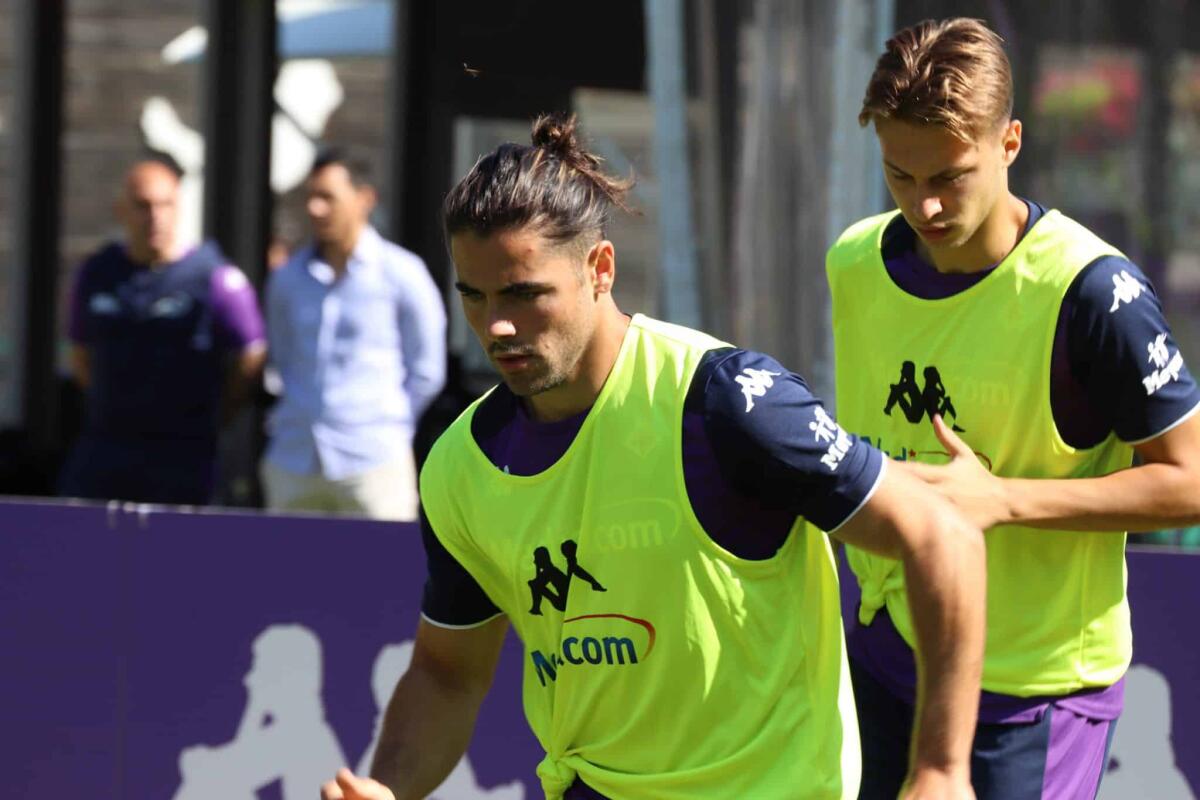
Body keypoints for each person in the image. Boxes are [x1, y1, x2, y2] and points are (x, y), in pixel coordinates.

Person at [322, 114, 987, 800]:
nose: (496, 325)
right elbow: (446, 672)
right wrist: (390, 790)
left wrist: (941, 768)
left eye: (525, 295)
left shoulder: (726, 403)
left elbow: (945, 536)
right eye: (475, 296)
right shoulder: (461, 465)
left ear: (600, 269)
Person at [827, 18, 1200, 800]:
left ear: (1010, 143)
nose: (925, 207)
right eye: (901, 176)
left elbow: (1191, 480)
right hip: (881, 663)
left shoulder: (1096, 293)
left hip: (1033, 696)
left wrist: (1002, 500)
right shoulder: (855, 261)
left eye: (950, 177)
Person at [59, 156, 266, 505]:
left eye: (165, 205)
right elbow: (79, 352)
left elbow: (252, 352)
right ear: (121, 210)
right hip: (107, 447)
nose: (155, 217)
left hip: (184, 454)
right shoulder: (96, 273)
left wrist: (219, 413)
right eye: (143, 206)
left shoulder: (214, 278)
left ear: (179, 208)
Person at [261, 148, 446, 521]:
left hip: (374, 463)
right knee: (287, 577)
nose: (315, 208)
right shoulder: (286, 279)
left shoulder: (402, 273)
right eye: (311, 197)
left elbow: (427, 370)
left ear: (364, 200)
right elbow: (282, 358)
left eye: (327, 197)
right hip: (294, 460)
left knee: (383, 577)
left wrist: (383, 426)